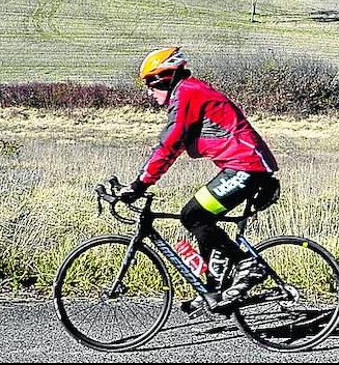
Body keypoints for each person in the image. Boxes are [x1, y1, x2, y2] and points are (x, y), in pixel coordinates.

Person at [118, 46, 280, 310]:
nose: (149, 92)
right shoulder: (187, 92)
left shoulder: (187, 94)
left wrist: (139, 184)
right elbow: (177, 144)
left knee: (194, 216)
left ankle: (248, 266)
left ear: (165, 78)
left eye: (150, 85)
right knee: (199, 220)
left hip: (247, 166)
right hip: (241, 166)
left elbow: (169, 144)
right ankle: (213, 291)